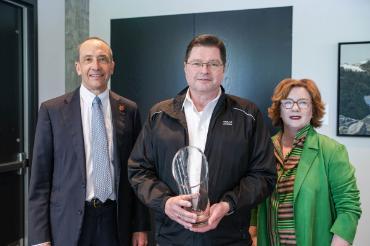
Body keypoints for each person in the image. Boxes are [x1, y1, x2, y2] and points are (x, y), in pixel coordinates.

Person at [128, 34, 276, 245]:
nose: (204, 70)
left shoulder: (248, 115)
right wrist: (166, 202)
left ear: (223, 68)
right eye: (197, 63)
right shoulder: (159, 115)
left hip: (229, 238)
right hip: (171, 238)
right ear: (185, 67)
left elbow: (264, 175)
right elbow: (138, 170)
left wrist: (227, 205)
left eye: (213, 64)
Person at [28, 37, 150, 246]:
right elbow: (40, 180)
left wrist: (140, 226)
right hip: (69, 223)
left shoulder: (129, 110)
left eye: (102, 59)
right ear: (78, 67)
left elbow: (138, 172)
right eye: (88, 59)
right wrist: (40, 237)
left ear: (112, 66)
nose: (95, 66)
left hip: (115, 221)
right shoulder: (52, 111)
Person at [250, 78, 362, 245]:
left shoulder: (332, 151)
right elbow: (254, 204)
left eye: (303, 102)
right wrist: (253, 236)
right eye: (288, 102)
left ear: (313, 109)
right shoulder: (264, 149)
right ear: (279, 109)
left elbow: (349, 209)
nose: (295, 108)